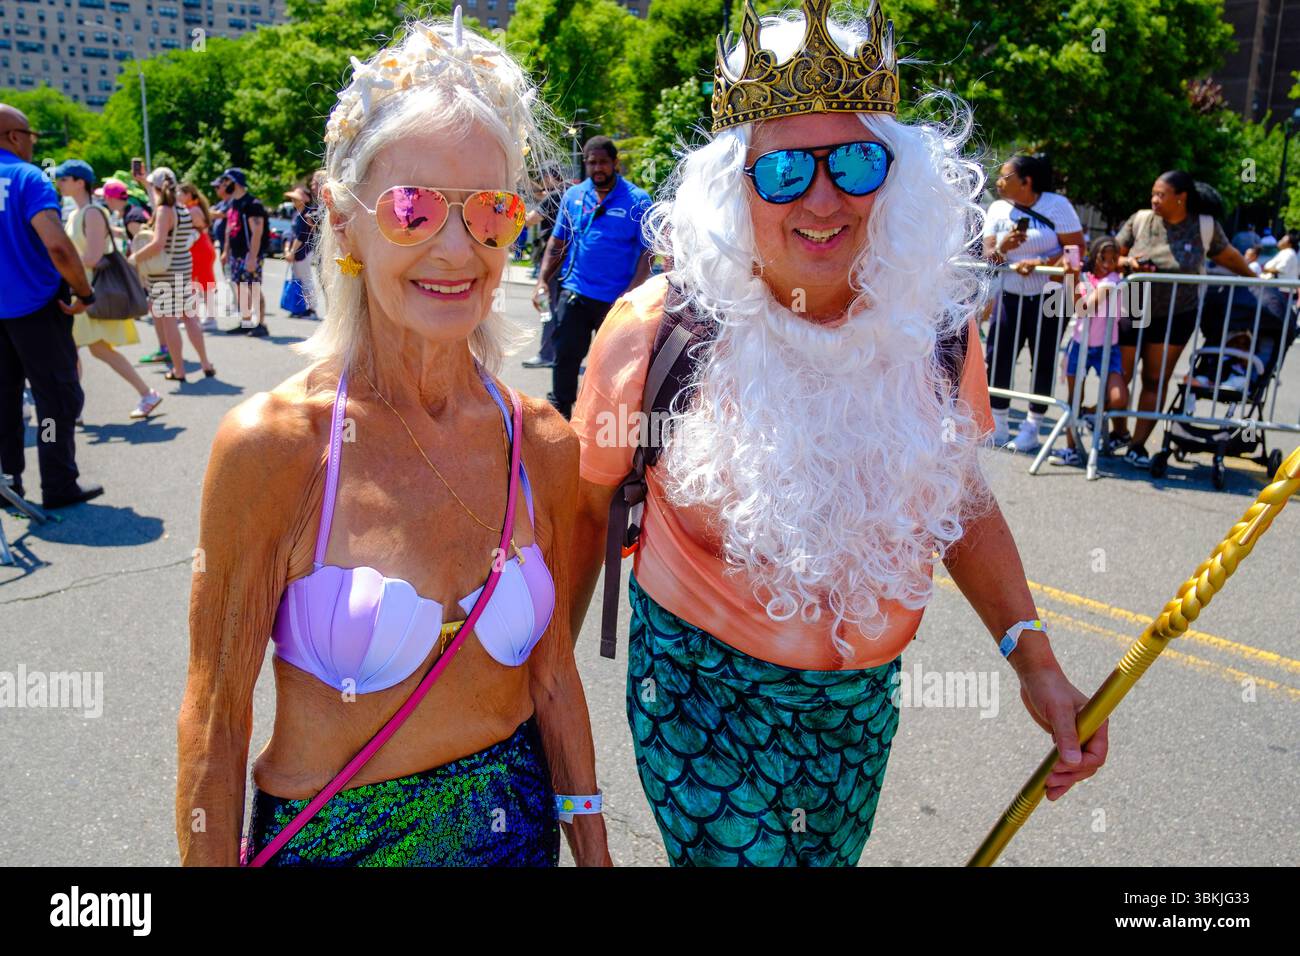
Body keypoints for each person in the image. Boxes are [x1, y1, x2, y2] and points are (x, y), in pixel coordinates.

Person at [566, 1, 1108, 867]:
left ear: (895, 177)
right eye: (782, 172)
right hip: (703, 698)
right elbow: (586, 515)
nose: (823, 200)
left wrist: (1034, 662)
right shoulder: (657, 329)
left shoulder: (934, 331)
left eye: (857, 163)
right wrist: (548, 706)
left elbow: (958, 505)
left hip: (862, 709)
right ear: (733, 189)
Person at [177, 11, 609, 867]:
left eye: (490, 210)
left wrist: (593, 848)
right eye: (410, 207)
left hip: (516, 837)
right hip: (339, 846)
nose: (457, 248)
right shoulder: (277, 448)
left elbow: (552, 674)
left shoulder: (543, 445)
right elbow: (217, 716)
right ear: (344, 223)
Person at [1114, 170, 1254, 468]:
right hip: (1134, 306)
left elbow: (1228, 257)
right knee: (1119, 375)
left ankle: (1137, 446)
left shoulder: (1204, 227)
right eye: (1153, 193)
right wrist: (1126, 262)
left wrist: (1259, 281)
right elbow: (1110, 254)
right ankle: (1118, 432)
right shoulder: (1140, 220)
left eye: (1161, 195)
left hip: (1177, 315)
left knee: (1154, 379)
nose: (1154, 200)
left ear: (1182, 198)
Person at [0, 103, 103, 508]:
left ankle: (9, 484)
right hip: (37, 310)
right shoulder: (27, 178)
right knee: (54, 401)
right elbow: (58, 246)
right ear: (13, 137)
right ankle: (58, 486)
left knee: (4, 401)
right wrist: (85, 293)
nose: (31, 143)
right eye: (30, 136)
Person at [532, 136, 653, 418]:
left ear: (615, 163)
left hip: (616, 302)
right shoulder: (573, 196)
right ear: (585, 163)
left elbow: (649, 254)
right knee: (565, 358)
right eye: (591, 162)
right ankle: (560, 416)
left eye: (603, 162)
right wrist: (541, 281)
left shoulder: (637, 200)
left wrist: (632, 293)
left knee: (615, 368)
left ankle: (605, 425)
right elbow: (557, 242)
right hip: (575, 293)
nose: (597, 168)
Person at [981, 153, 1085, 451]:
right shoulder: (998, 209)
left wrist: (1040, 261)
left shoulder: (1057, 205)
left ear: (1026, 182)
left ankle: (1032, 427)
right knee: (999, 355)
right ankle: (998, 423)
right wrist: (1003, 247)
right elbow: (989, 257)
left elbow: (1076, 249)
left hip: (1051, 296)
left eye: (1006, 177)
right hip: (1010, 292)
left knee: (1043, 358)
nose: (999, 182)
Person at [53, 159, 162, 419]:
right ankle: (145, 393)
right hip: (83, 289)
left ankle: (74, 407)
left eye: (64, 179)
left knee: (79, 349)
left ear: (80, 182)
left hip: (88, 291)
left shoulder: (91, 213)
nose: (59, 183)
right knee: (89, 349)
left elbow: (91, 256)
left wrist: (59, 264)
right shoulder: (79, 213)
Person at [128, 166, 215, 383]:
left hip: (164, 270)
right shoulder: (182, 208)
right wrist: (147, 184)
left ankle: (179, 370)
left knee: (168, 320)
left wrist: (135, 258)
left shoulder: (164, 211)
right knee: (189, 316)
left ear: (157, 188)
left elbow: (158, 244)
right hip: (183, 266)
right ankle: (205, 363)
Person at [1049, 236, 1129, 466]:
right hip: (1080, 344)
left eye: (1113, 259)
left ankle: (1091, 414)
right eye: (1103, 259)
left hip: (1107, 347)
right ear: (1094, 256)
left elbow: (1083, 307)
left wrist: (1073, 278)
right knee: (1075, 397)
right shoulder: (1085, 277)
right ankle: (1071, 448)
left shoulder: (1112, 281)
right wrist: (1069, 272)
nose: (1108, 264)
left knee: (1118, 397)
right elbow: (1074, 301)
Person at [214, 167, 269, 337]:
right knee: (240, 288)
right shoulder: (233, 203)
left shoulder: (252, 204)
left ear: (235, 183)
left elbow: (257, 232)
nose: (224, 184)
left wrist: (252, 257)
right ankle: (245, 322)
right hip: (236, 254)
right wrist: (225, 251)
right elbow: (230, 227)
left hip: (250, 254)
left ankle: (260, 323)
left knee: (253, 287)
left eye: (226, 181)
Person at [521, 164, 566, 368]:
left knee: (546, 305)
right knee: (560, 307)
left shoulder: (553, 197)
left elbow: (530, 220)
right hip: (568, 260)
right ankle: (557, 353)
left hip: (551, 260)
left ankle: (546, 354)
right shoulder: (568, 193)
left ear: (549, 176)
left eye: (543, 176)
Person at [179, 182, 221, 331]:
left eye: (180, 193)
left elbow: (199, 227)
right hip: (198, 249)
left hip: (200, 249)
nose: (178, 196)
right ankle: (195, 317)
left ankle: (210, 319)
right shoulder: (192, 208)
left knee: (203, 285)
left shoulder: (193, 209)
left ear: (188, 194)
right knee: (196, 285)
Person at [281, 185, 316, 318]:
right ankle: (299, 307)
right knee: (297, 279)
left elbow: (301, 235)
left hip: (304, 252)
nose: (293, 201)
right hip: (297, 252)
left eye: (296, 199)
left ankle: (311, 308)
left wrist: (291, 251)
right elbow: (290, 233)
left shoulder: (308, 214)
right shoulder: (297, 214)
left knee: (305, 279)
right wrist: (287, 249)